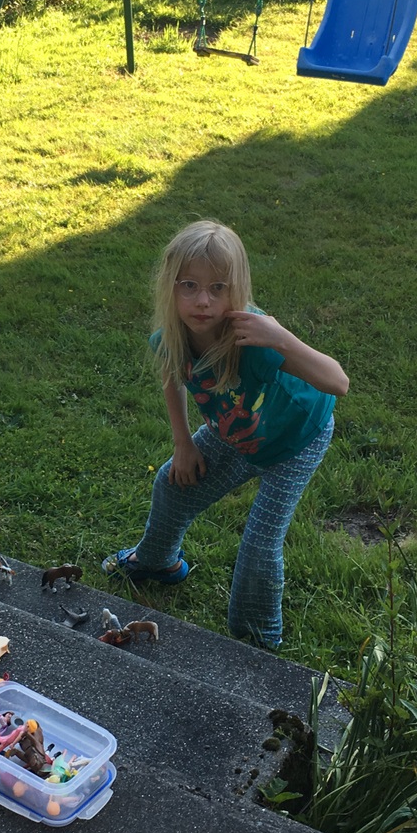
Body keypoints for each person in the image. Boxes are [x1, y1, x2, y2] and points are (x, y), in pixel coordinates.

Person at [103, 220, 349, 649]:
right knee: (172, 483)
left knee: (260, 544)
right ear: (170, 286)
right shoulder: (174, 335)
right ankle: (157, 562)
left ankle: (256, 640)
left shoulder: (254, 340)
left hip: (296, 439)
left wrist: (282, 338)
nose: (203, 301)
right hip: (234, 431)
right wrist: (183, 443)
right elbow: (171, 375)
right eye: (189, 286)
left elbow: (338, 383)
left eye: (218, 288)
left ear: (237, 289)